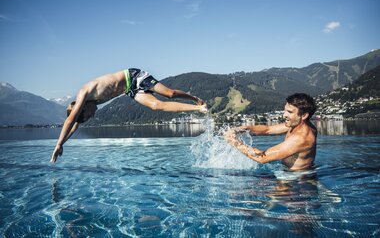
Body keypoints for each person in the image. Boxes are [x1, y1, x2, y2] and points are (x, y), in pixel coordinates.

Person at [50, 68, 208, 163]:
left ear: (82, 108)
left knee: (170, 94)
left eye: (88, 115)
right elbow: (75, 125)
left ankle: (194, 99)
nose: (92, 115)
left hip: (134, 76)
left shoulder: (84, 93)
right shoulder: (89, 103)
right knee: (155, 106)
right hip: (130, 89)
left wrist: (57, 144)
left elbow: (70, 120)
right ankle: (198, 108)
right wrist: (63, 143)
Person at [225, 93, 317, 171]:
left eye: (289, 112)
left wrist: (233, 142)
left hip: (296, 179)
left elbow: (262, 158)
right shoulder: (296, 124)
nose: (284, 114)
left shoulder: (301, 139)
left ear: (304, 115)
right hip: (287, 171)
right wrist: (240, 129)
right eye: (285, 110)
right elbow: (268, 129)